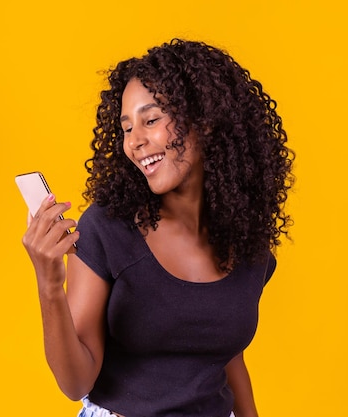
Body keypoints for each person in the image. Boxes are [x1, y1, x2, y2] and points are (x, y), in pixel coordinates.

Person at [22, 38, 294, 417]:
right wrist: (49, 285)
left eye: (151, 120)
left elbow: (227, 357)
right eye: (126, 128)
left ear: (207, 121)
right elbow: (76, 383)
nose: (135, 142)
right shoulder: (107, 230)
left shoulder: (248, 244)